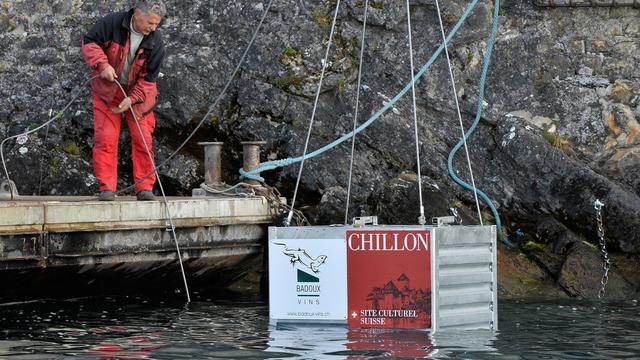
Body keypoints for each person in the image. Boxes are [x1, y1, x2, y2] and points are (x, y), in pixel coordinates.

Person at [81, 0, 167, 201]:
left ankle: (145, 187)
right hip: (108, 93)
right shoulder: (112, 23)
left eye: (157, 24)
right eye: (150, 23)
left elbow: (149, 80)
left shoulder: (157, 41)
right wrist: (102, 65)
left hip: (139, 98)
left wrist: (133, 98)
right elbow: (89, 43)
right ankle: (107, 188)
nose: (153, 28)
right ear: (137, 14)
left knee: (143, 140)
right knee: (106, 139)